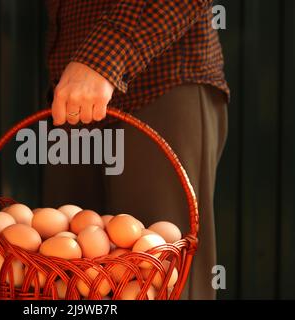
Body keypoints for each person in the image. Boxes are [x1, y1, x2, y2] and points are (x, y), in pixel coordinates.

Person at [43, 0, 229, 300]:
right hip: (73, 91)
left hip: (159, 80)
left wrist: (103, 57)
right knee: (70, 279)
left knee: (160, 277)